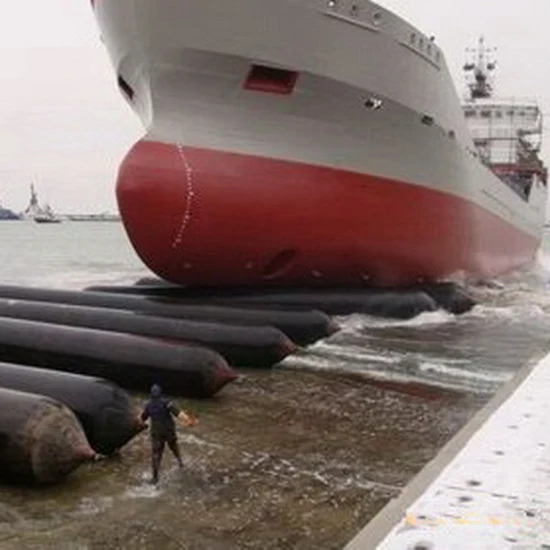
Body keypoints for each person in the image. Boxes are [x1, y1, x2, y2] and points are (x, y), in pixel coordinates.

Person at [140, 383, 195, 484]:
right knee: (173, 446)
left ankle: (155, 477)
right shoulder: (167, 402)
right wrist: (188, 421)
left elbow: (142, 419)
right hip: (168, 430)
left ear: (151, 395)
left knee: (156, 454)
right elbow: (178, 413)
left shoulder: (148, 405)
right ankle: (180, 462)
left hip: (156, 433)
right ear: (160, 393)